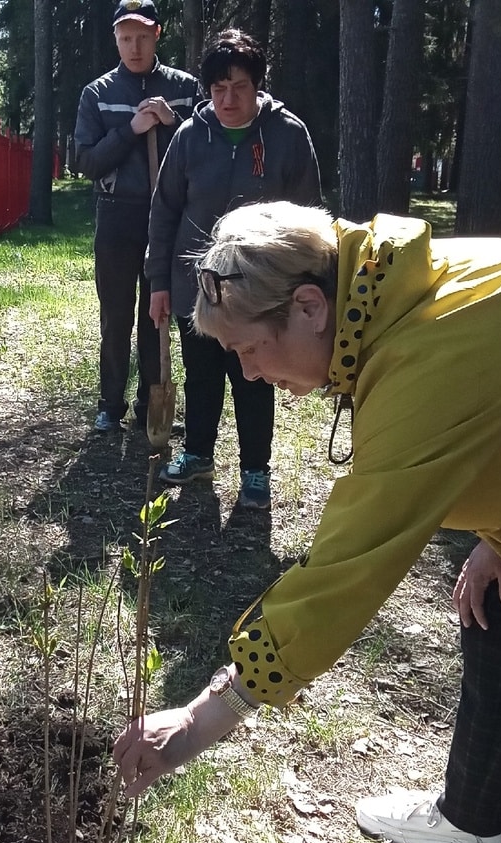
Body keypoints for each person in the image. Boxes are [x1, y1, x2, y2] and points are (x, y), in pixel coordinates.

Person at [113, 200, 501, 843]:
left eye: (249, 350)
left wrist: (206, 717)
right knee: (495, 618)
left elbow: (347, 568)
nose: (249, 373)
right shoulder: (397, 297)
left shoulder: (425, 355)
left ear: (308, 306)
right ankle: (474, 819)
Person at [145, 29, 320, 507]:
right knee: (201, 374)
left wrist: (301, 285)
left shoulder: (287, 135)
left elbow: (309, 216)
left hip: (262, 291)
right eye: (218, 89)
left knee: (255, 376)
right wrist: (160, 281)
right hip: (195, 287)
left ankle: (255, 471)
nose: (228, 99)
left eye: (239, 87)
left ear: (257, 86)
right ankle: (198, 454)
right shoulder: (188, 137)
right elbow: (164, 213)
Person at [73, 0, 199, 433]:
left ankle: (150, 400)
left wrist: (172, 122)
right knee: (116, 314)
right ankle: (110, 401)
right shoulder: (98, 93)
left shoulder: (185, 87)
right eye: (126, 38)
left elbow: (204, 149)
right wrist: (130, 131)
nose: (134, 46)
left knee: (157, 311)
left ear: (157, 35)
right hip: (117, 215)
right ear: (115, 40)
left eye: (142, 36)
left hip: (166, 217)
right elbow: (86, 162)